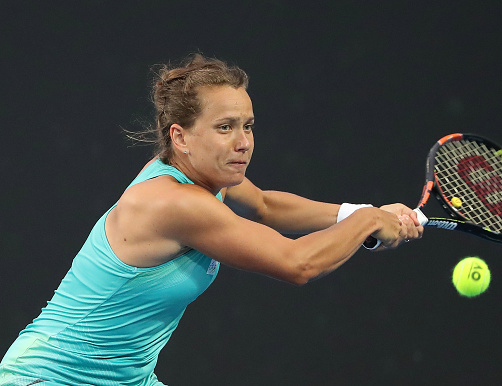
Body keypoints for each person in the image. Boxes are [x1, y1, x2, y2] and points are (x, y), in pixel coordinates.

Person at [0, 53, 423, 386]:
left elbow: (266, 207)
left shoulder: (205, 174)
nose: (243, 143)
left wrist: (360, 212)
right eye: (225, 127)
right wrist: (368, 221)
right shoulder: (177, 203)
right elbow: (299, 264)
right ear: (180, 137)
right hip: (50, 376)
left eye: (248, 126)